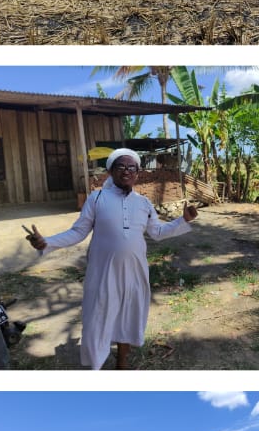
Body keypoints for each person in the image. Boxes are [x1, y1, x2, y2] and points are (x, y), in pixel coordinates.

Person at [24, 148, 197, 370]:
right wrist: (47, 242)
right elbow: (78, 232)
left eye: (131, 167)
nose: (126, 171)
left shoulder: (144, 203)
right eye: (121, 167)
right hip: (103, 273)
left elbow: (158, 232)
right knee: (98, 319)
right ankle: (96, 366)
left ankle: (122, 362)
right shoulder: (97, 198)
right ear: (111, 172)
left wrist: (184, 220)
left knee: (128, 316)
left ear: (138, 173)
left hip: (135, 273)